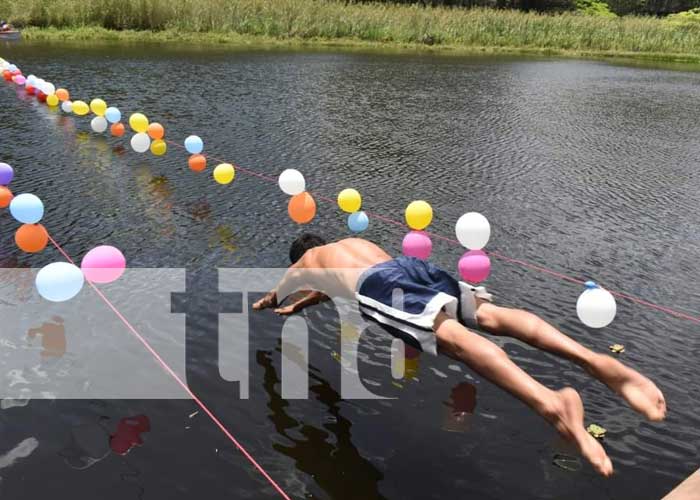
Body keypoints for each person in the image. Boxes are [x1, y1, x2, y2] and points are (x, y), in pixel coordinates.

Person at [253, 234, 667, 476]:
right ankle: (590, 358)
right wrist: (300, 307)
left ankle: (551, 404)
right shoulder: (354, 244)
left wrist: (272, 302)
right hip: (410, 268)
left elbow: (285, 288)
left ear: (302, 255)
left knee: (453, 341)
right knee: (490, 316)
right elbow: (327, 289)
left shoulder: (305, 262)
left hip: (378, 288)